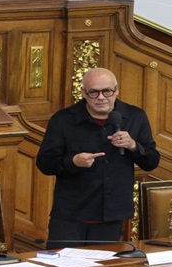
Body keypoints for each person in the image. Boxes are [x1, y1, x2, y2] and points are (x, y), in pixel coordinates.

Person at [36, 67, 160, 249]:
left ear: (116, 90)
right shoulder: (63, 120)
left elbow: (152, 162)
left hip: (112, 214)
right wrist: (73, 162)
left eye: (107, 91)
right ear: (83, 93)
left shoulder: (134, 116)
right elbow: (44, 163)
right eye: (94, 92)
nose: (101, 97)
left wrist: (133, 145)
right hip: (71, 214)